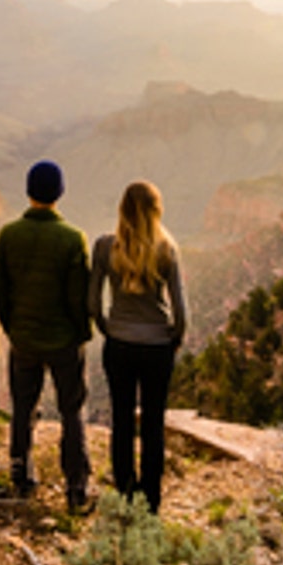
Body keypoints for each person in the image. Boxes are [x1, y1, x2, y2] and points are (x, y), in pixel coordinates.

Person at [0, 159, 92, 509]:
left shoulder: (8, 235)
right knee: (71, 411)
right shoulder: (72, 239)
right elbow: (80, 298)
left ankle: (22, 481)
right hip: (65, 341)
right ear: (59, 193)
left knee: (22, 409)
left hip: (24, 341)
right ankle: (76, 489)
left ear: (29, 192)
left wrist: (13, 328)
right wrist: (81, 334)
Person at [89, 180, 188, 514]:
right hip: (158, 347)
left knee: (121, 420)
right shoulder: (167, 249)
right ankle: (151, 501)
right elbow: (181, 310)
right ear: (155, 212)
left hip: (119, 345)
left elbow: (92, 302)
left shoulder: (105, 247)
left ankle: (125, 493)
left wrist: (108, 328)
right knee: (152, 424)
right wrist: (173, 339)